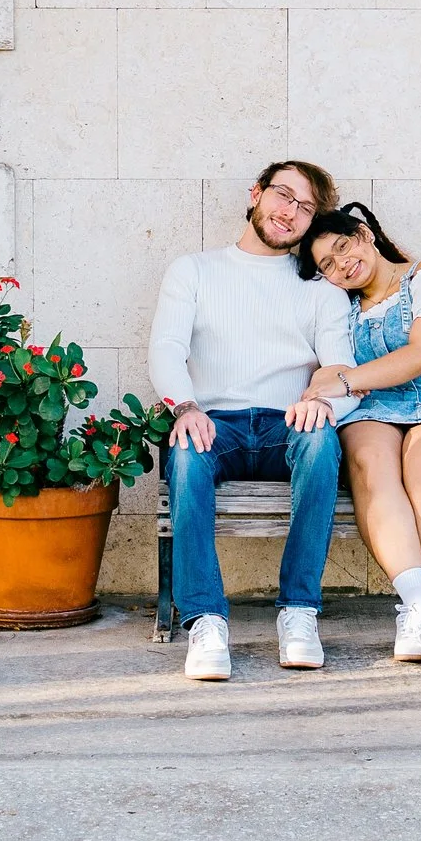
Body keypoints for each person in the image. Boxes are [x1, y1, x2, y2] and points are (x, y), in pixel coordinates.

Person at [147, 161, 356, 682]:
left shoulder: (320, 289)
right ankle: (206, 622)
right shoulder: (193, 270)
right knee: (187, 453)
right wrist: (185, 406)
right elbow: (167, 349)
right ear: (256, 194)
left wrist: (324, 403)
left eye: (305, 207)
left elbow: (343, 370)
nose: (290, 212)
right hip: (213, 424)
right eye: (283, 196)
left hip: (288, 422)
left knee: (320, 442)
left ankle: (299, 613)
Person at [296, 202, 421, 668]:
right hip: (372, 410)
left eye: (342, 247)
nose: (342, 264)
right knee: (368, 460)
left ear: (363, 235)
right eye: (328, 265)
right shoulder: (340, 311)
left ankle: (420, 607)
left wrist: (342, 381)